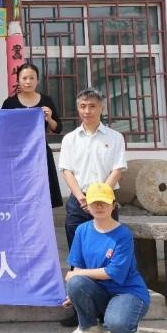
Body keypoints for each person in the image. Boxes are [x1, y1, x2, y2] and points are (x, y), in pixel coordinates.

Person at [63, 183, 150, 333]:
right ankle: (89, 328)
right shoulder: (82, 230)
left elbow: (113, 272)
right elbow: (78, 265)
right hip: (99, 290)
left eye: (104, 202)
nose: (99, 206)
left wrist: (78, 274)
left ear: (113, 205)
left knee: (119, 326)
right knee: (74, 282)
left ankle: (130, 324)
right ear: (87, 206)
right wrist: (73, 291)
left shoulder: (123, 234)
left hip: (127, 291)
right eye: (94, 202)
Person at [58, 87, 127, 249]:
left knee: (108, 249)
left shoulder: (115, 137)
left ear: (102, 108)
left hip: (106, 200)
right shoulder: (70, 139)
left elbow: (117, 169)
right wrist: (82, 199)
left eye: (92, 106)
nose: (87, 111)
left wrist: (100, 196)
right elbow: (66, 170)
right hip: (79, 201)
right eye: (83, 106)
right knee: (78, 249)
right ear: (78, 108)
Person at [1, 63, 63, 208]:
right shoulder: (10, 103)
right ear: (18, 80)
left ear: (37, 80)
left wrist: (49, 118)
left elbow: (58, 128)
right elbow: (2, 130)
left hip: (40, 153)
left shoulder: (46, 101)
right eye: (24, 78)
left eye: (32, 78)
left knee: (43, 193)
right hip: (17, 155)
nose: (28, 81)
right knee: (20, 192)